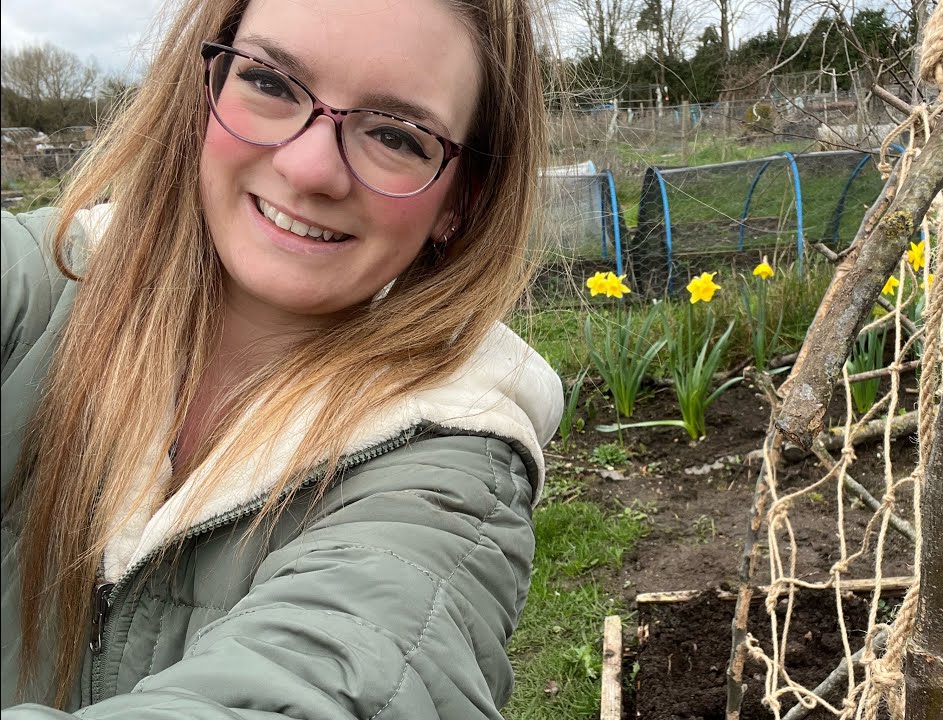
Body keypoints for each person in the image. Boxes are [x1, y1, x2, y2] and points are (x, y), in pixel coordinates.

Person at [0, 0, 562, 717]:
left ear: (461, 203)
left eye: (395, 134)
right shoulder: (40, 283)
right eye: (269, 83)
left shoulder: (446, 481)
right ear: (205, 86)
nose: (308, 168)